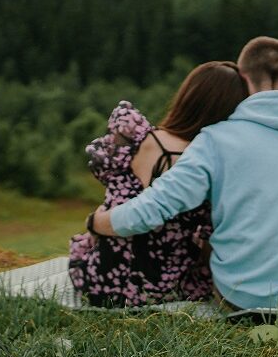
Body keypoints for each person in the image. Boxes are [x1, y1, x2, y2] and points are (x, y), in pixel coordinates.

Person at [90, 36, 278, 310]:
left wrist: (98, 221)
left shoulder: (214, 141)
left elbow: (152, 209)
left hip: (237, 298)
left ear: (242, 78)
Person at [69, 61, 249, 307]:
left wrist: (95, 223)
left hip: (102, 278)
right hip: (165, 285)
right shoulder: (206, 160)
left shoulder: (139, 138)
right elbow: (209, 243)